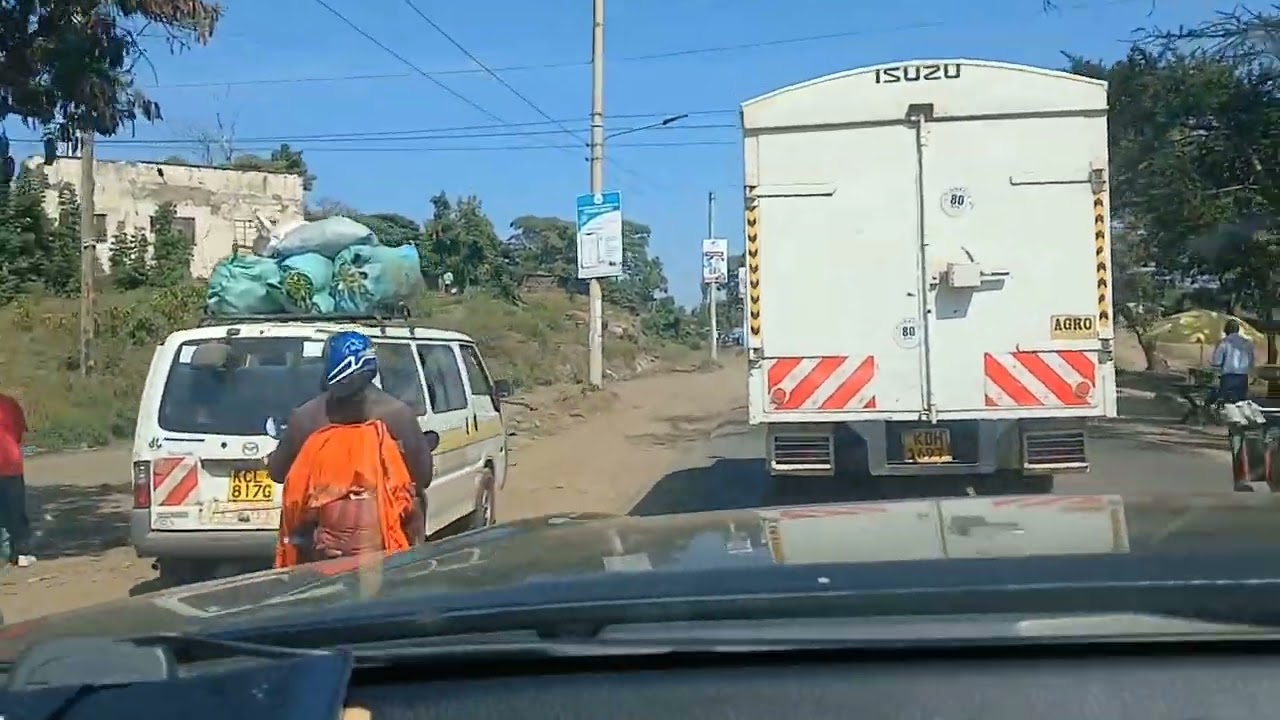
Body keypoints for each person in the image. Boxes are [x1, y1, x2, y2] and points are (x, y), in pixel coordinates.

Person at [268, 331, 435, 569]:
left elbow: (277, 472)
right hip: (386, 547)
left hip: (319, 551)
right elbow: (423, 478)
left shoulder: (306, 417)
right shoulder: (398, 415)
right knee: (416, 502)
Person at [0, 392, 34, 567]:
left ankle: (4, 553)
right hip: (10, 465)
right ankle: (21, 552)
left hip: (10, 464)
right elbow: (19, 432)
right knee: (15, 511)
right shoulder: (9, 404)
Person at [1211, 319, 1255, 404]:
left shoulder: (1224, 342)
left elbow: (1217, 361)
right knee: (1241, 404)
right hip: (1243, 376)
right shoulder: (1247, 343)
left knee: (1224, 403)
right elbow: (1251, 360)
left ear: (1226, 330)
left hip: (1228, 376)